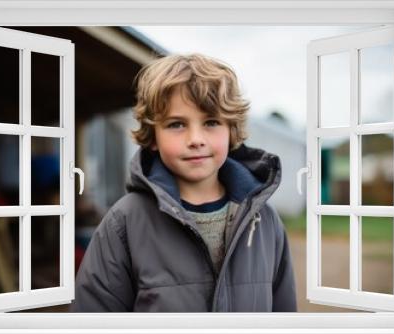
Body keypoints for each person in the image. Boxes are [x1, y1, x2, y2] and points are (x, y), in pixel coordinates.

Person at [70, 53, 297, 312]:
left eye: (211, 122)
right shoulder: (124, 222)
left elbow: (284, 315)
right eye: (177, 124)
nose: (196, 139)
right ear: (152, 136)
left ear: (231, 130)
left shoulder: (265, 220)